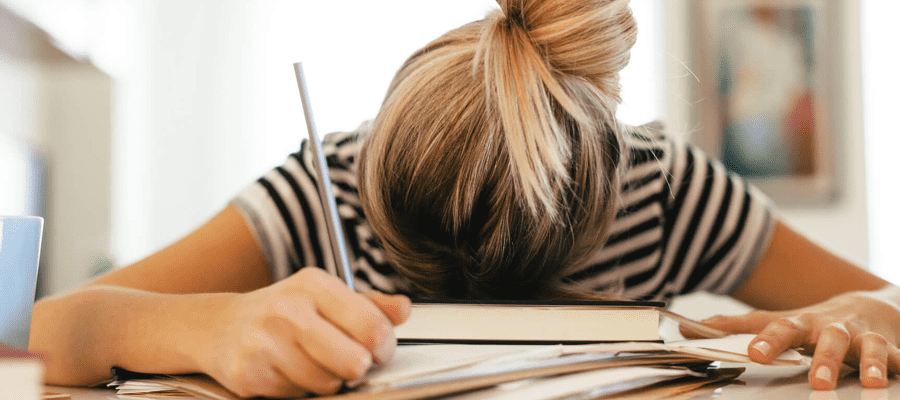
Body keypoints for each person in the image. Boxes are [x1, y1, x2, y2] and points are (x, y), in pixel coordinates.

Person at [29, 0, 899, 397]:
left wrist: (873, 310)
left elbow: (889, 307)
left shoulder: (662, 186)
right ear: (371, 179)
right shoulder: (330, 181)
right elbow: (34, 335)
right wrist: (207, 326)